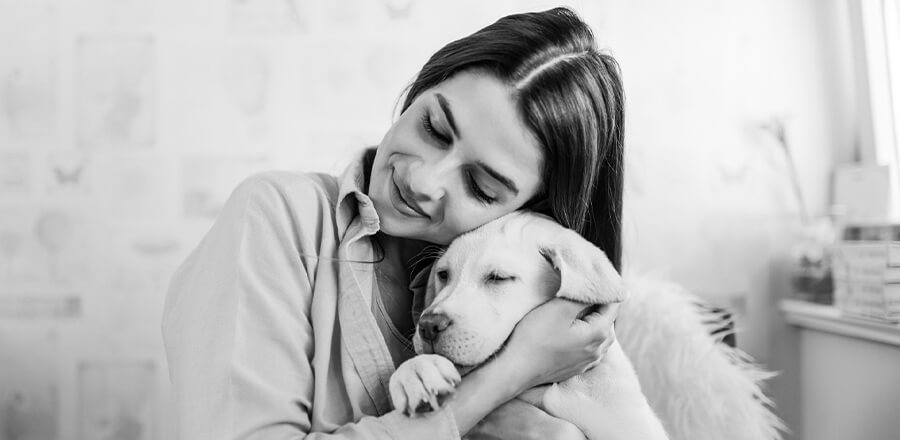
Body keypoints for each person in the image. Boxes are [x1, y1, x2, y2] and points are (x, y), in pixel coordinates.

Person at [162, 6, 625, 439]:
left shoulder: (546, 301)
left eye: (481, 187)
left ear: (531, 211)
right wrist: (506, 378)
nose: (423, 179)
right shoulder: (277, 214)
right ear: (419, 90)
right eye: (433, 128)